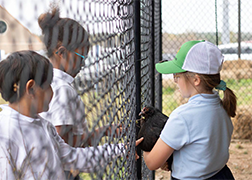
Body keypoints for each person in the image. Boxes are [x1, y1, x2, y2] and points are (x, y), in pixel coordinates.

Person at [0, 50, 129, 180]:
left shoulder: (44, 125)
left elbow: (73, 157)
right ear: (31, 88)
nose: (52, 91)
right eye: (48, 85)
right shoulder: (6, 134)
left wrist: (121, 149)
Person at [142, 40, 236, 179]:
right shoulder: (223, 106)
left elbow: (152, 163)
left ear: (196, 80)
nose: (175, 80)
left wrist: (143, 138)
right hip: (222, 175)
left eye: (177, 75)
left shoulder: (182, 116)